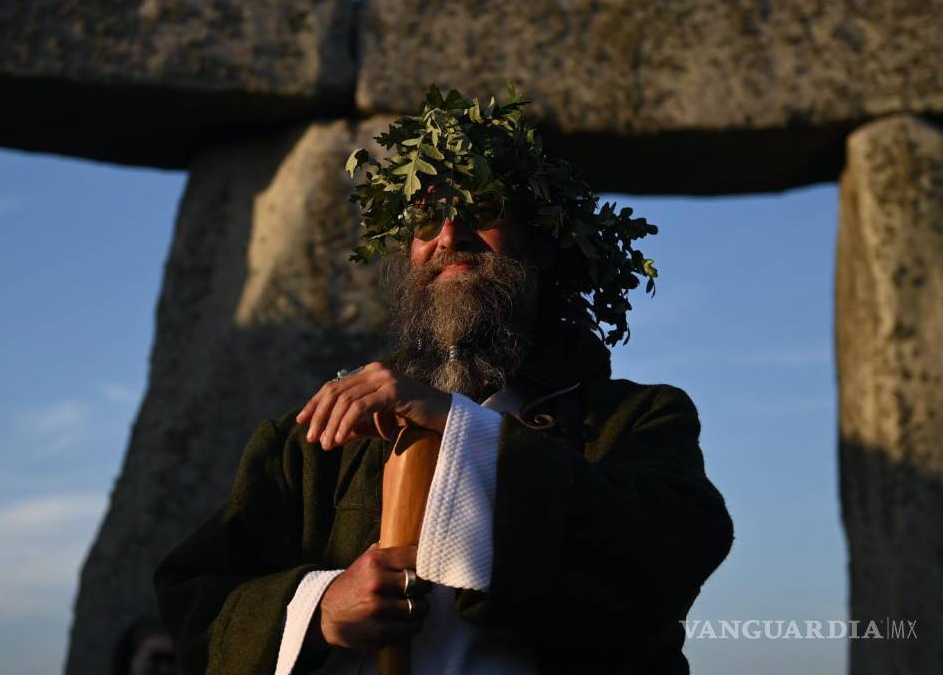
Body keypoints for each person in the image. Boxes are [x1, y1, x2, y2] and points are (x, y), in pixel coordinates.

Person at [154, 86, 734, 674]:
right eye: (426, 220)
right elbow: (193, 602)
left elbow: (670, 555)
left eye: (482, 209)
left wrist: (460, 428)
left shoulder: (634, 419)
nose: (449, 237)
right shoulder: (314, 444)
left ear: (541, 243)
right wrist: (319, 607)